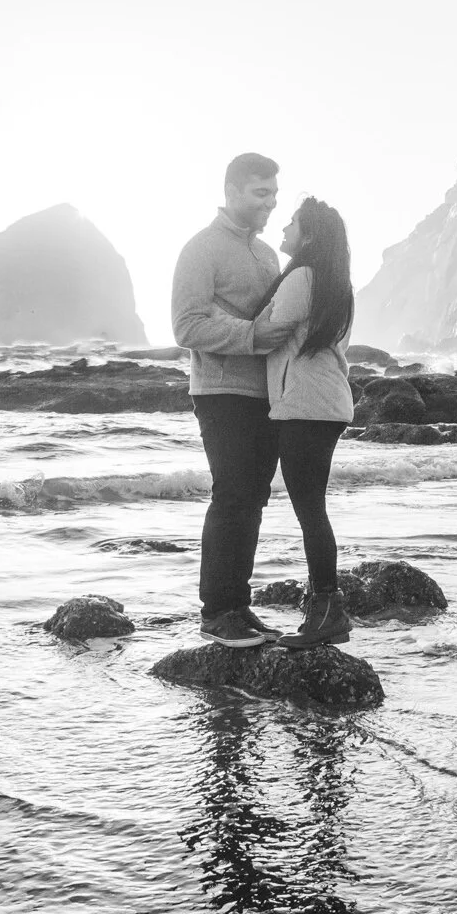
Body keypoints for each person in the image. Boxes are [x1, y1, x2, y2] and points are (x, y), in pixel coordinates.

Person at [171, 153, 296, 647]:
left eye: (273, 194)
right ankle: (216, 612)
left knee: (253, 498)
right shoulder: (200, 249)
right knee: (232, 495)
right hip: (220, 391)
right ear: (232, 192)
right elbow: (186, 324)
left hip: (267, 393)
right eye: (260, 193)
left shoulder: (268, 254)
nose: (270, 203)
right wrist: (252, 335)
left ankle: (238, 606)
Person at [254, 197, 356, 648]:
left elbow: (266, 333)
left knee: (310, 511)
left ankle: (328, 610)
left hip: (305, 406)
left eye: (292, 223)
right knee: (312, 509)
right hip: (325, 405)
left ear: (309, 235)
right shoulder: (337, 283)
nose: (283, 229)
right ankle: (324, 606)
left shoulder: (301, 277)